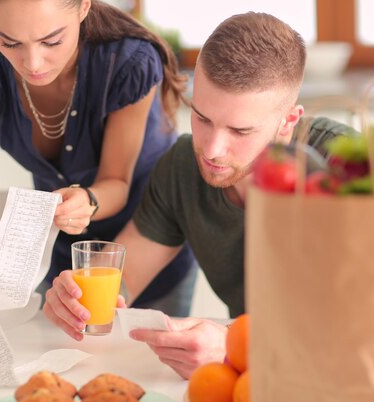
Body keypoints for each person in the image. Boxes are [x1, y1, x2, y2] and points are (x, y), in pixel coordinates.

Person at [43, 12, 355, 379]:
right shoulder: (181, 169)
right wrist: (76, 298)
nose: (212, 150)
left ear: (289, 120)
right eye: (202, 118)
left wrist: (236, 347)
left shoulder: (350, 169)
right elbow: (121, 283)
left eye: (240, 130)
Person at [0, 0, 197, 316]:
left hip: (151, 244)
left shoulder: (127, 62)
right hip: (65, 264)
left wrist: (88, 199)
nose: (32, 63)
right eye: (10, 42)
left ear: (84, 6)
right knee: (68, 360)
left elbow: (116, 182)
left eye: (51, 41)